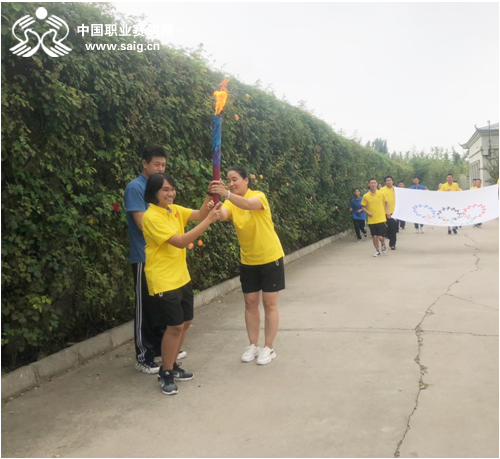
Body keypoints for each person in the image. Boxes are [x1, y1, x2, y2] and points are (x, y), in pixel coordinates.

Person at [142, 173, 221, 395]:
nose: (171, 193)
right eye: (165, 190)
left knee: (185, 322)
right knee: (175, 326)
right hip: (163, 279)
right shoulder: (151, 217)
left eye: (172, 189)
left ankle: (172, 364)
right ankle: (165, 373)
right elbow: (180, 241)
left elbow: (199, 213)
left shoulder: (173, 209)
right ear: (154, 192)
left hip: (181, 277)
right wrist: (208, 221)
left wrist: (210, 194)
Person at [211, 166, 284, 365]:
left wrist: (225, 193)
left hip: (270, 258)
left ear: (246, 180)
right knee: (250, 304)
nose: (231, 183)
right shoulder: (230, 202)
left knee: (269, 304)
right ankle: (253, 345)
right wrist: (213, 206)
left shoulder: (258, 196)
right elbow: (223, 215)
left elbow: (249, 205)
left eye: (235, 179)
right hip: (248, 261)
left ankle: (269, 347)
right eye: (228, 180)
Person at [125, 146, 170, 374]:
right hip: (143, 256)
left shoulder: (160, 188)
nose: (161, 168)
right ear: (144, 164)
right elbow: (144, 224)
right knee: (144, 307)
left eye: (163, 165)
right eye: (156, 164)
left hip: (161, 257)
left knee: (159, 305)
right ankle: (144, 357)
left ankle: (161, 349)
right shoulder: (135, 188)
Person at [361, 178, 390, 257]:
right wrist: (368, 212)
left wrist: (387, 212)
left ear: (377, 184)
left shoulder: (381, 193)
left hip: (381, 218)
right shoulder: (366, 196)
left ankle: (383, 243)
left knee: (380, 237)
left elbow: (386, 203)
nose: (373, 184)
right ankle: (377, 250)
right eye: (371, 183)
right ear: (369, 185)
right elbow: (363, 207)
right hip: (372, 220)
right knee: (374, 236)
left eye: (374, 183)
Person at [380, 176, 398, 250]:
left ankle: (392, 244)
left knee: (393, 228)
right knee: (386, 229)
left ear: (392, 181)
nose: (389, 182)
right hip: (384, 212)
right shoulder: (382, 190)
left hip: (394, 212)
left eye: (390, 180)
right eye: (387, 180)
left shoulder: (396, 189)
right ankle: (389, 236)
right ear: (385, 182)